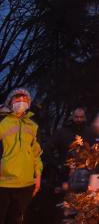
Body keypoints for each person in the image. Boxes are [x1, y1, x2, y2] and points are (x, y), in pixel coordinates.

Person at [0, 89, 42, 224]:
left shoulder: (33, 125)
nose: (21, 102)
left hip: (25, 184)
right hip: (3, 182)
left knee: (16, 220)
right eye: (17, 99)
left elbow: (37, 154)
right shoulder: (2, 121)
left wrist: (38, 176)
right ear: (10, 102)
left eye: (25, 100)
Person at [50, 108, 89, 193]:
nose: (79, 119)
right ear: (72, 117)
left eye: (81, 117)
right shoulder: (62, 132)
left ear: (84, 117)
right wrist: (57, 164)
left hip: (83, 174)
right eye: (76, 117)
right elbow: (49, 148)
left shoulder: (89, 132)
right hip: (64, 173)